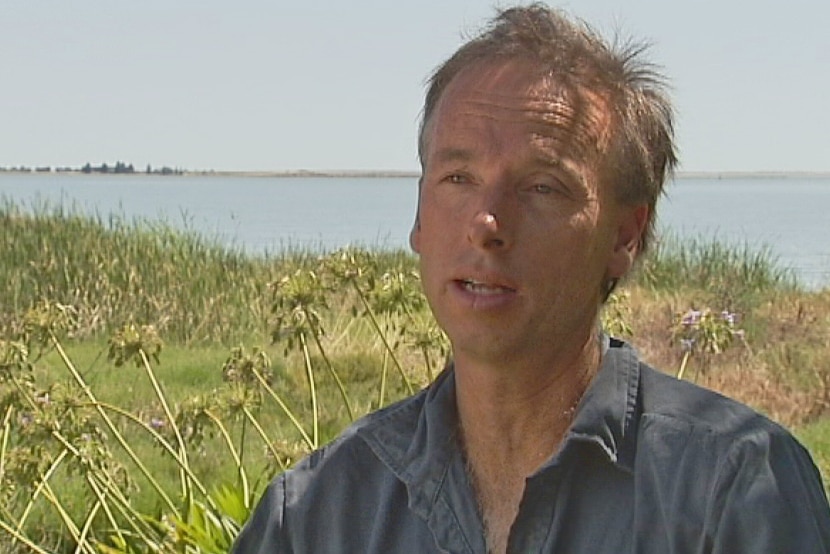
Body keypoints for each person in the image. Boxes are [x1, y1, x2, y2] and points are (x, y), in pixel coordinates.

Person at [233, 4, 830, 553]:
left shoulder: (734, 491)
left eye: (543, 187)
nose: (487, 224)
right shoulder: (316, 513)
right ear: (418, 214)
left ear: (625, 236)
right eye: (458, 179)